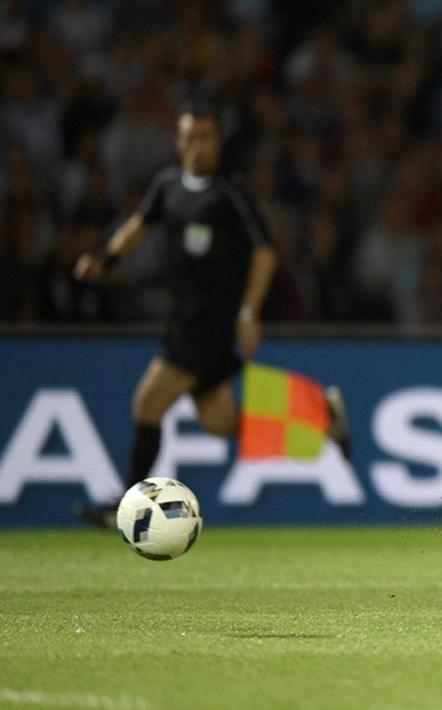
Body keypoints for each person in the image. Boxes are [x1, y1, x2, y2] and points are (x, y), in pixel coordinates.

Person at [72, 100, 348, 527]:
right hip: (182, 317)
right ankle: (319, 416)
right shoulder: (167, 186)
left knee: (147, 402)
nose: (198, 145)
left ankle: (125, 509)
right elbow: (137, 227)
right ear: (178, 142)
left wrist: (248, 312)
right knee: (220, 422)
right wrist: (105, 260)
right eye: (190, 137)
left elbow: (265, 253)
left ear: (218, 141)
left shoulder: (230, 193)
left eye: (206, 136)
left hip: (211, 321)